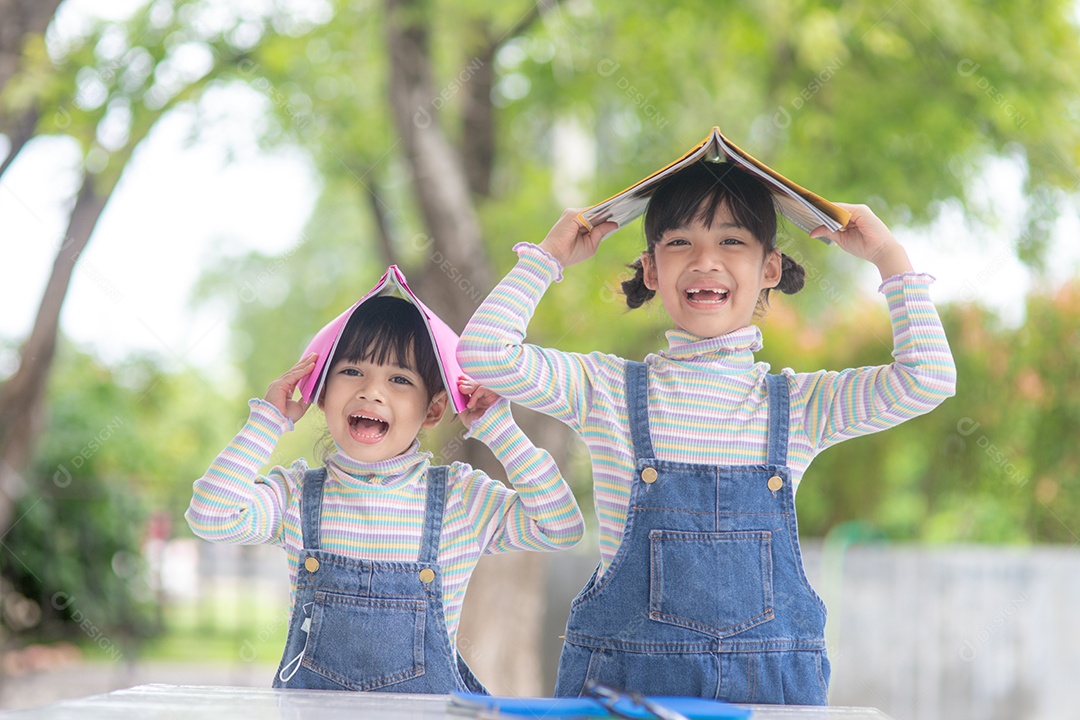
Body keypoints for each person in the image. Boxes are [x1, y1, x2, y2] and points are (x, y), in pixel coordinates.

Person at [456, 161, 956, 704]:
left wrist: (889, 258)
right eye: (679, 243)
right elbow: (484, 353)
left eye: (731, 240)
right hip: (626, 692)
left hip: (768, 697)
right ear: (651, 269)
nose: (705, 261)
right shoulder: (605, 389)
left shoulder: (804, 406)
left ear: (770, 267)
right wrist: (549, 257)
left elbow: (927, 378)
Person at [185, 288, 585, 694]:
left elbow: (560, 526)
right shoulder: (296, 496)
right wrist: (268, 421)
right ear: (320, 392)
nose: (371, 391)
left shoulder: (459, 500)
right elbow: (211, 515)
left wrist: (499, 429)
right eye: (352, 371)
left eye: (399, 379)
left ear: (432, 409)